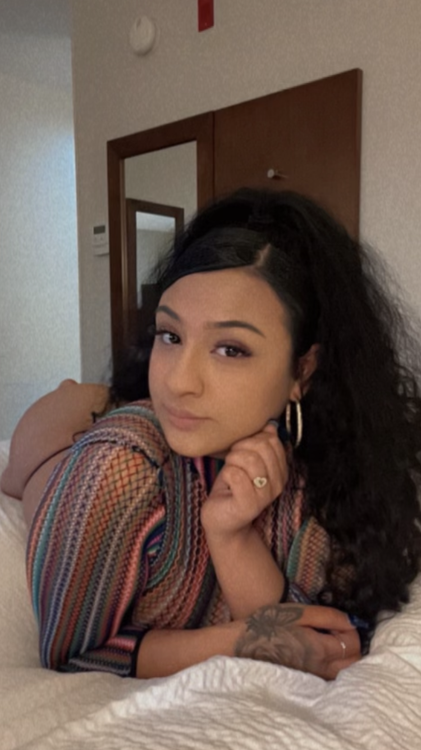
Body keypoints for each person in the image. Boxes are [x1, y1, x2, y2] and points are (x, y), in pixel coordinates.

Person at [5, 188, 421, 681]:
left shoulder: (333, 475)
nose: (179, 381)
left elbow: (312, 633)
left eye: (230, 349)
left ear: (303, 371)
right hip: (60, 435)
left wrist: (230, 534)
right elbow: (70, 653)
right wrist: (241, 642)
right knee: (28, 463)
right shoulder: (116, 465)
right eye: (170, 335)